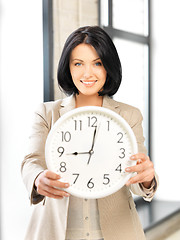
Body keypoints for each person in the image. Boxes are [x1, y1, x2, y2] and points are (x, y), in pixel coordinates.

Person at [21, 26, 158, 240]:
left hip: (115, 232)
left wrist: (147, 178)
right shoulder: (47, 113)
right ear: (68, 68)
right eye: (78, 64)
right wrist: (38, 178)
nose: (87, 73)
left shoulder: (130, 115)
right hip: (58, 231)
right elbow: (31, 161)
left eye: (97, 63)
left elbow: (136, 175)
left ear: (108, 67)